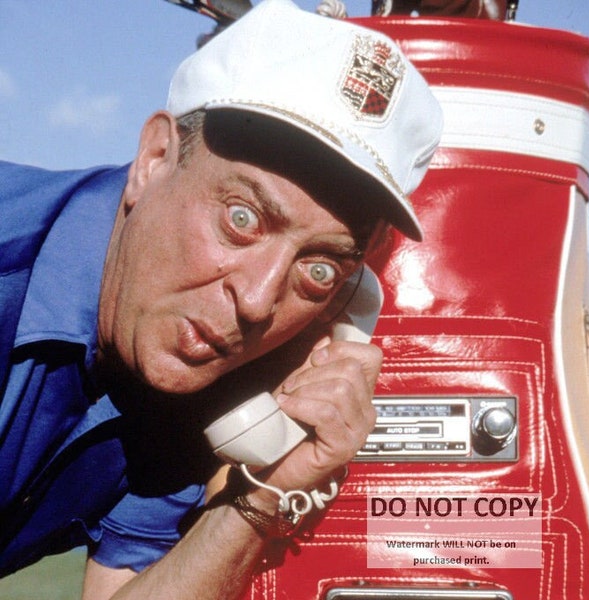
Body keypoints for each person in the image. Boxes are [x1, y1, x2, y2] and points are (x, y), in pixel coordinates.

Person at [0, 0, 442, 597]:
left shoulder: (194, 376)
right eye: (242, 219)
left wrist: (262, 494)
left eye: (317, 270)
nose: (259, 303)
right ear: (155, 160)